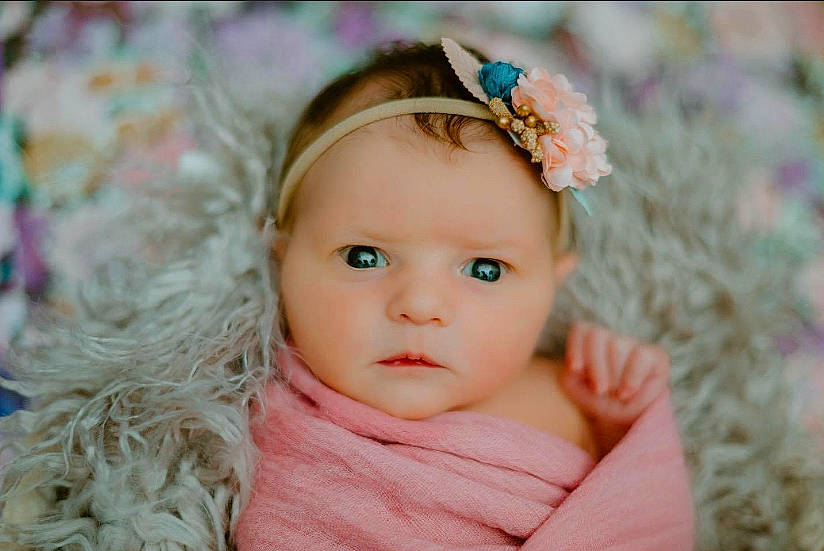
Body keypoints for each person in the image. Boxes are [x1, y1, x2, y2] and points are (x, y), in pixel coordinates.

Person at [234, 38, 694, 549]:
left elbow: (643, 516)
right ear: (282, 256)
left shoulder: (574, 395)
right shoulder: (268, 428)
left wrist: (620, 426)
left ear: (552, 282)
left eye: (485, 269)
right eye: (364, 257)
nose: (421, 307)